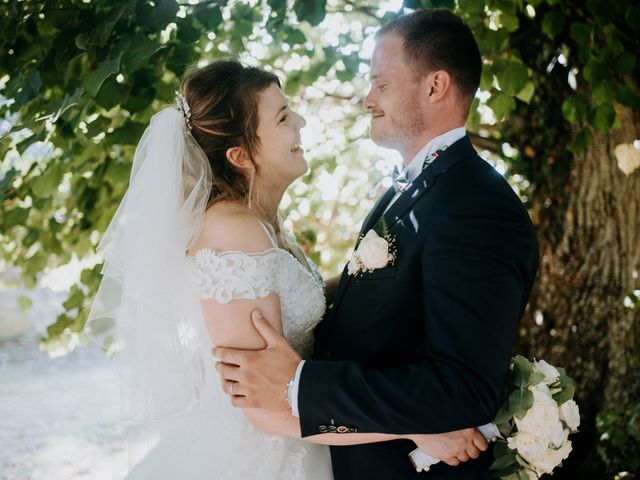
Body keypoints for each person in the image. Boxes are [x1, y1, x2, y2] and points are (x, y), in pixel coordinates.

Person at [87, 58, 485, 479]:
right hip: (264, 458)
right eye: (282, 118)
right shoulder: (233, 233)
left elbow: (304, 301)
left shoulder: (259, 222)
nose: (301, 121)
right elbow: (264, 408)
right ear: (241, 155)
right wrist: (417, 428)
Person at [213, 9, 539, 480]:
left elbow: (463, 390)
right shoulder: (410, 188)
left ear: (435, 86)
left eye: (380, 84)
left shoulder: (476, 207)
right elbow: (382, 311)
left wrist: (299, 383)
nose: (367, 100)